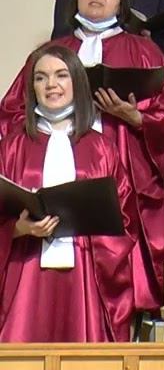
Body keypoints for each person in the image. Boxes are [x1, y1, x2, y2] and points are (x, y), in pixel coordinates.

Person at [1, 0, 164, 314]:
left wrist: (135, 117)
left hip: (117, 164)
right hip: (45, 171)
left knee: (111, 242)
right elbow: (11, 111)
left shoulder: (145, 52)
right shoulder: (51, 53)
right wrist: (35, 146)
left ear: (122, 2)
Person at [0, 43, 136, 342]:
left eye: (61, 75)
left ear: (77, 82)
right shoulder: (10, 148)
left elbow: (125, 220)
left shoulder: (103, 149)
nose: (51, 84)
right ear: (31, 87)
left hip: (85, 272)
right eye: (41, 77)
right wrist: (18, 229)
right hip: (25, 272)